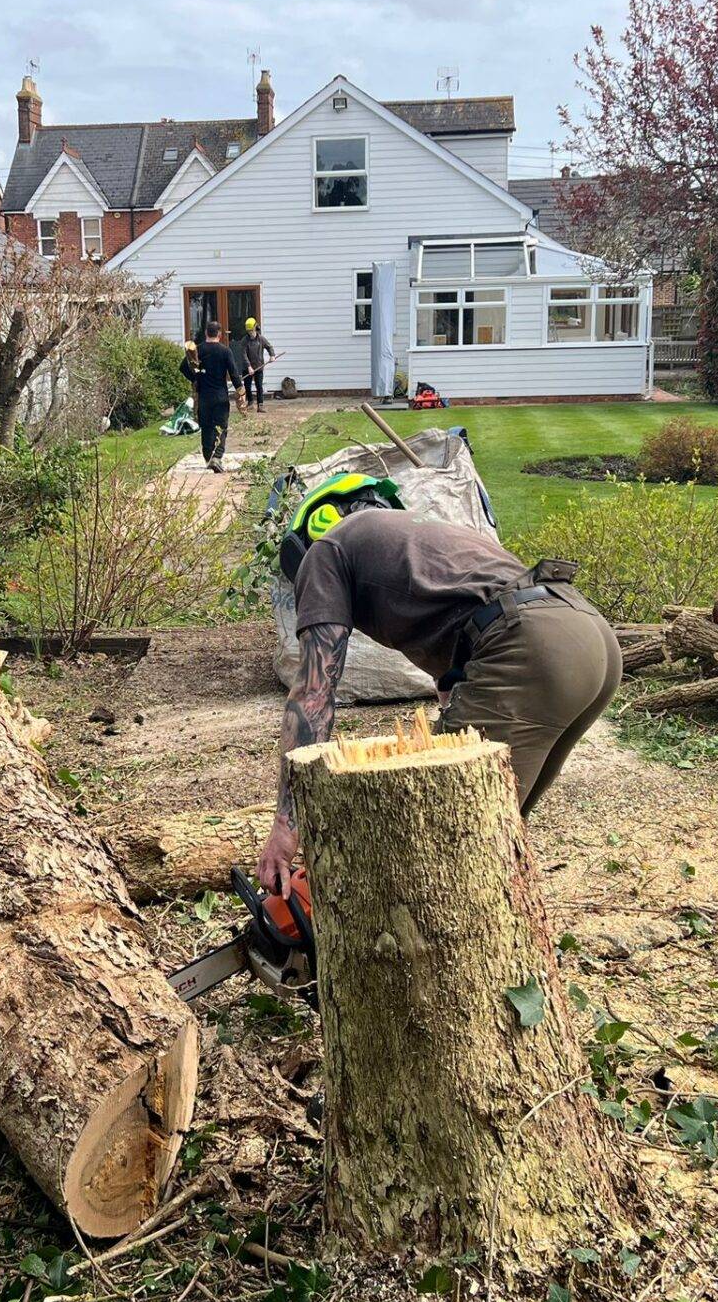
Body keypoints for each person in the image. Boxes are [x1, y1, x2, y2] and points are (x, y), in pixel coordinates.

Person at [255, 475, 622, 897]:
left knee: (432, 839)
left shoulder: (327, 549)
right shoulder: (418, 537)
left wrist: (286, 825)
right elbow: (452, 653)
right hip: (590, 636)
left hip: (528, 647)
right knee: (495, 827)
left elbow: (314, 693)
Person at [179, 321, 238, 472]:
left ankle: (208, 457)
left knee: (206, 427)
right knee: (221, 427)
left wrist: (195, 378)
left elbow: (183, 367)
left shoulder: (197, 350)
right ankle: (217, 457)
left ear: (206, 333)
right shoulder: (225, 351)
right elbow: (233, 373)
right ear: (219, 334)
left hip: (204, 396)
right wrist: (241, 391)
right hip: (220, 396)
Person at [239, 317, 276, 413]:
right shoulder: (244, 341)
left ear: (255, 327)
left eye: (251, 330)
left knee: (259, 386)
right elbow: (243, 354)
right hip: (247, 368)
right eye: (248, 331)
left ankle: (260, 405)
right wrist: (248, 366)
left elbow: (269, 347)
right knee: (247, 386)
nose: (250, 332)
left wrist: (272, 355)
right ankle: (250, 402)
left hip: (259, 366)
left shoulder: (261, 339)